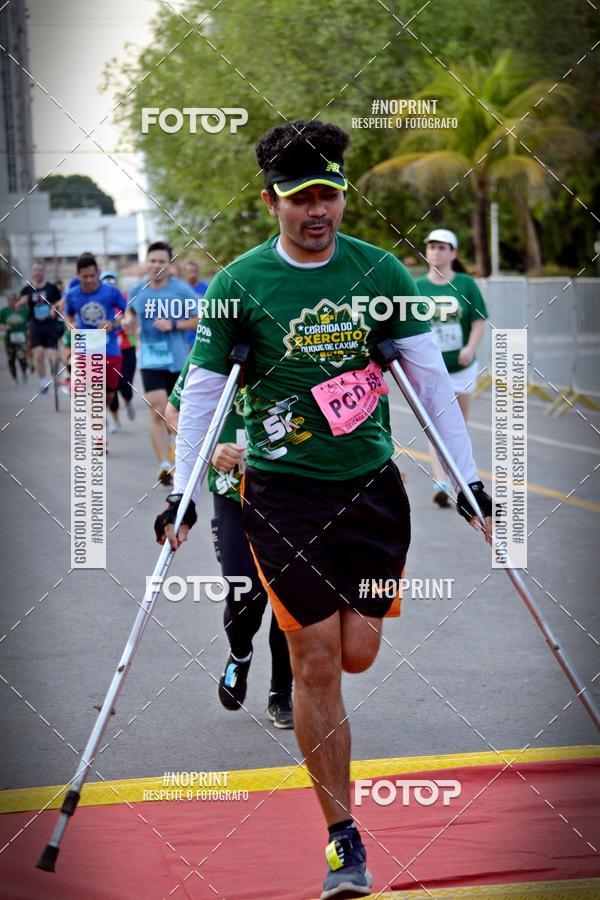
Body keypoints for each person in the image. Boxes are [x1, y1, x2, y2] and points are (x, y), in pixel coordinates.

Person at [155, 120, 492, 900]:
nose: (318, 210)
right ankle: (344, 840)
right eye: (301, 197)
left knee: (357, 653)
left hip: (371, 490)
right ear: (272, 199)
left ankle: (339, 802)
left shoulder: (380, 274)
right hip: (282, 496)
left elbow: (433, 384)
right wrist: (183, 488)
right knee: (312, 661)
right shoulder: (240, 284)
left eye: (330, 195)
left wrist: (470, 479)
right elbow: (204, 391)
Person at [165, 359, 294, 728]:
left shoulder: (293, 345)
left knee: (288, 597)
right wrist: (211, 448)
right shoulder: (212, 351)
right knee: (245, 594)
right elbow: (174, 412)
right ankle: (240, 654)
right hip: (232, 496)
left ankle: (280, 692)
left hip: (292, 496)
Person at [415, 229, 489, 507]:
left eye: (443, 247)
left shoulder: (466, 284)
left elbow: (479, 321)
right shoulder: (417, 286)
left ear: (453, 253)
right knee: (435, 427)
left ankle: (460, 480)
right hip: (431, 371)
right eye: (432, 246)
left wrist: (469, 348)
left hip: (460, 369)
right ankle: (441, 482)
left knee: (457, 427)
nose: (436, 251)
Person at [126, 241, 198, 485]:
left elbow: (201, 319)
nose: (156, 265)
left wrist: (174, 324)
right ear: (147, 263)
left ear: (170, 265)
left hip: (178, 360)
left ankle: (180, 460)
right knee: (157, 409)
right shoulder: (137, 290)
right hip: (150, 360)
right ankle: (165, 465)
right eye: (153, 260)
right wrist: (129, 323)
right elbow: (131, 315)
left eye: (162, 261)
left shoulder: (182, 291)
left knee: (176, 414)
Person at [64, 253, 126, 452]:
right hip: (84, 347)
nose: (89, 280)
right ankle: (100, 436)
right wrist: (70, 326)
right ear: (78, 275)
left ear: (98, 273)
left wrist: (113, 322)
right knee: (94, 394)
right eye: (85, 277)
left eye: (93, 276)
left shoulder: (111, 292)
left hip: (110, 348)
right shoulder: (72, 295)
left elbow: (124, 313)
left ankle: (102, 417)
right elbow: (68, 317)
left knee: (108, 393)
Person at [100, 271, 137, 432]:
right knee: (110, 388)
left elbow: (133, 317)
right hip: (106, 351)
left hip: (127, 349)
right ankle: (114, 420)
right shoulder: (97, 304)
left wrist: (128, 323)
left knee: (125, 385)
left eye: (112, 282)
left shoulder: (124, 300)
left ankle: (128, 401)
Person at [16, 261, 61, 393]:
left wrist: (55, 307)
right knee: (38, 354)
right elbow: (18, 305)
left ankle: (55, 372)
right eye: (35, 270)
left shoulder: (52, 288)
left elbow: (61, 301)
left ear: (43, 271)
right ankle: (43, 382)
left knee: (54, 356)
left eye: (40, 270)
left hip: (49, 324)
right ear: (32, 272)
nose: (38, 272)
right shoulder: (27, 289)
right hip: (35, 325)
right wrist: (20, 303)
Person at [0, 294, 29, 384]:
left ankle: (24, 372)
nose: (11, 302)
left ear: (16, 300)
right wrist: (4, 327)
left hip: (22, 338)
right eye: (9, 300)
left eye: (13, 300)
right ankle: (14, 377)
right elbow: (1, 324)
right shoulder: (4, 311)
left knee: (22, 357)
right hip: (10, 339)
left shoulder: (24, 310)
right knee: (11, 359)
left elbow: (29, 321)